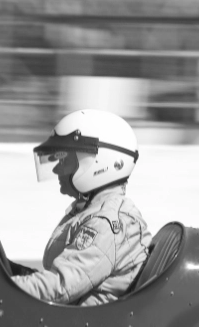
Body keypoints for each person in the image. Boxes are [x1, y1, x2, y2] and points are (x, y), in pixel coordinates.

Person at [12, 109, 151, 306]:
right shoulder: (91, 210)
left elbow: (60, 286)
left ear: (101, 163)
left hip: (78, 322)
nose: (56, 168)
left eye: (65, 160)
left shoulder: (104, 224)